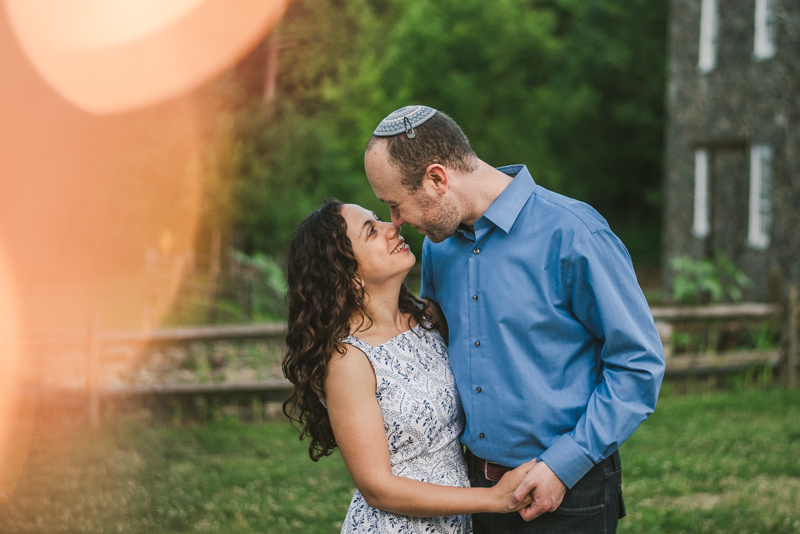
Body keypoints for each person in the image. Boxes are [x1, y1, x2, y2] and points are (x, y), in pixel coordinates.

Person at [364, 106, 666, 533]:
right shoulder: (438, 247)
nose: (396, 223)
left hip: (570, 493)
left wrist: (562, 466)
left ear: (437, 178)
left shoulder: (574, 233)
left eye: (395, 206)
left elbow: (638, 365)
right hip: (473, 493)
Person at [282, 199, 537, 534]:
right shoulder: (348, 360)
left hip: (457, 523)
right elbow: (377, 488)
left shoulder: (427, 319)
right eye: (372, 231)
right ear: (347, 274)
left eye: (378, 219)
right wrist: (491, 499)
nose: (392, 227)